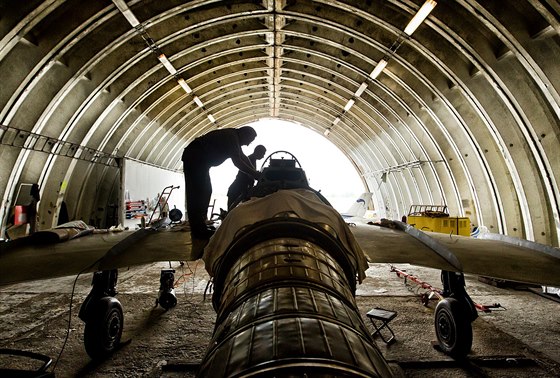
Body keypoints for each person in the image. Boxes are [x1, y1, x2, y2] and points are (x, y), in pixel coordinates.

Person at [182, 126, 260, 240]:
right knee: (197, 193)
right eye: (249, 141)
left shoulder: (234, 138)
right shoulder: (231, 137)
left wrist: (255, 172)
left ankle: (200, 227)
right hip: (195, 158)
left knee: (205, 191)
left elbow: (242, 157)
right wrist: (254, 174)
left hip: (200, 161)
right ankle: (198, 230)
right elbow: (237, 161)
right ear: (244, 134)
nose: (248, 144)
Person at [227, 144, 266, 210]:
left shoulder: (251, 159)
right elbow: (250, 175)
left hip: (238, 189)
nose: (263, 156)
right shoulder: (250, 159)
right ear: (258, 151)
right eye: (263, 154)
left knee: (231, 211)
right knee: (230, 212)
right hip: (238, 190)